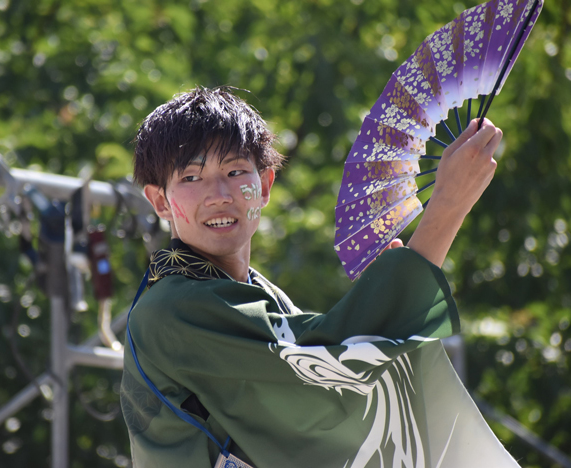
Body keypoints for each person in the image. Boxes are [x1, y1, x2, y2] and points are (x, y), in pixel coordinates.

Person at [121, 86, 517, 468]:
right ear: (160, 201)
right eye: (191, 178)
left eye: (236, 170)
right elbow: (337, 371)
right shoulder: (171, 309)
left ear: (264, 186)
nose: (219, 193)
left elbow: (332, 372)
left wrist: (389, 292)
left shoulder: (259, 295)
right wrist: (447, 205)